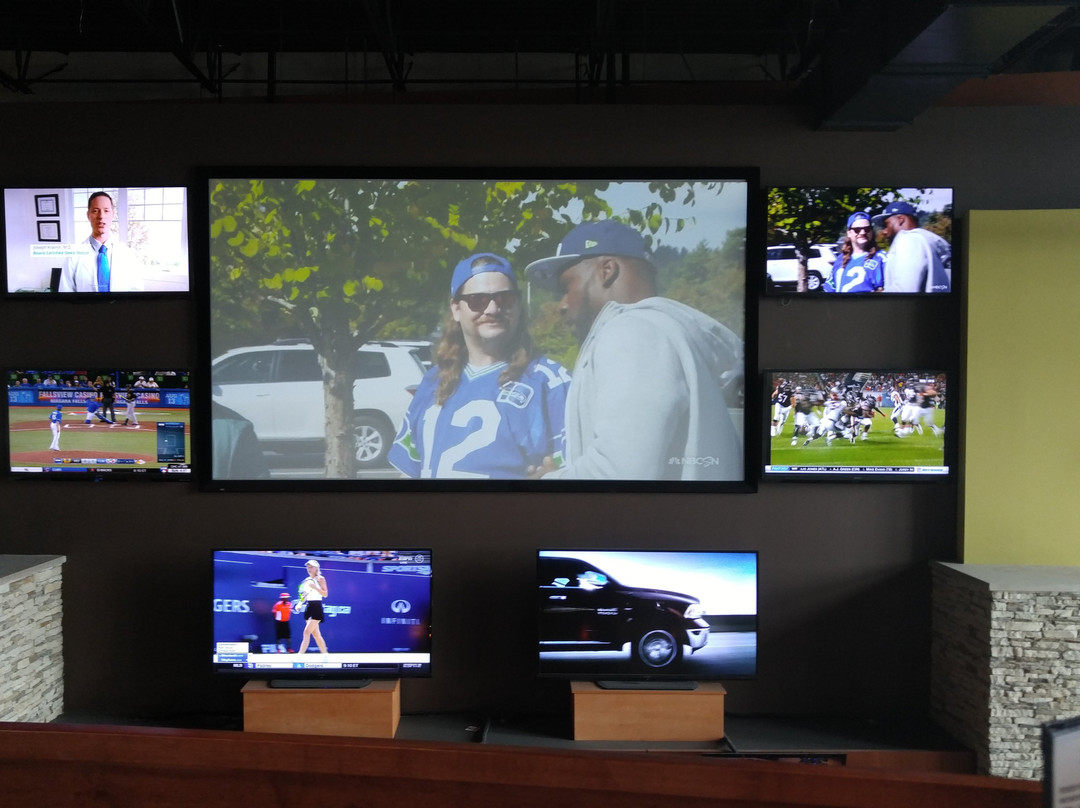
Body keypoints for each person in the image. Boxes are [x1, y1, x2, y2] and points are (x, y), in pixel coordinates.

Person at [524, 220, 742, 480]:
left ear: (607, 270)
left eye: (566, 287)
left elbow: (619, 473)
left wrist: (545, 483)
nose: (561, 305)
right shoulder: (666, 332)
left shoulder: (633, 332)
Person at [388, 252, 571, 479]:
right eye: (478, 300)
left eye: (505, 298)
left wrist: (559, 477)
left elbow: (576, 468)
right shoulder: (433, 381)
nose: (492, 309)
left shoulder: (550, 382)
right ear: (456, 308)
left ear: (518, 305)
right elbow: (409, 472)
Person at [59, 192, 144, 293]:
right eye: (95, 211)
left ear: (113, 214)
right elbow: (65, 293)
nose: (101, 216)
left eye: (106, 211)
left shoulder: (128, 254)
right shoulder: (73, 256)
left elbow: (137, 292)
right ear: (88, 215)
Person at [872, 201, 951, 293]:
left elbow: (904, 291)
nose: (884, 231)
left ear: (900, 219)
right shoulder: (927, 241)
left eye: (886, 224)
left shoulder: (909, 240)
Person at [823, 211, 884, 293]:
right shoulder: (840, 260)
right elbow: (829, 289)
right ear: (849, 233)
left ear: (871, 232)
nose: (862, 232)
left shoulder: (881, 258)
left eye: (867, 229)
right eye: (857, 230)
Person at [296, 560, 329, 656]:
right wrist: (299, 604)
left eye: (311, 567)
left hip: (317, 607)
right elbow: (304, 595)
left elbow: (325, 594)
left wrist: (315, 587)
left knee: (306, 632)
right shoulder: (306, 580)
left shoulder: (321, 579)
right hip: (309, 607)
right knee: (316, 635)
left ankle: (299, 655)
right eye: (308, 567)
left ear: (316, 568)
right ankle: (325, 654)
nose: (309, 569)